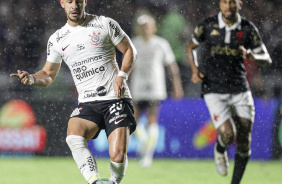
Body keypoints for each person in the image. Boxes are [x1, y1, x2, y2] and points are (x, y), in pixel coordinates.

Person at [10, 0, 137, 184]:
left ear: (85, 2)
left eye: (78, 1)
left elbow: (130, 51)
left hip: (115, 97)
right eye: (69, 1)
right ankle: (95, 181)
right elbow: (48, 74)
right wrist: (31, 78)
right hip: (87, 102)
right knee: (73, 135)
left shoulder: (105, 23)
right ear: (62, 3)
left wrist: (122, 76)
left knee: (117, 155)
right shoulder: (57, 38)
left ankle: (114, 182)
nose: (74, 6)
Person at [186, 0, 271, 183]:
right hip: (213, 88)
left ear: (239, 4)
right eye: (225, 2)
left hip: (240, 88)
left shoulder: (248, 28)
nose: (228, 6)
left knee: (244, 140)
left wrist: (253, 56)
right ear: (220, 4)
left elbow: (267, 59)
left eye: (232, 2)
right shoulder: (206, 26)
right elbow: (190, 47)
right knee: (227, 134)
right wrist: (194, 69)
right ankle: (220, 149)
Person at [130, 14, 183, 168]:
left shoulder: (161, 44)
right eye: (143, 26)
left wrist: (177, 86)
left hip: (155, 87)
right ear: (139, 28)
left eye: (148, 25)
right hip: (138, 87)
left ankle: (148, 157)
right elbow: (128, 67)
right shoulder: (134, 44)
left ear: (154, 27)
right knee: (133, 122)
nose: (145, 28)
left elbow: (172, 66)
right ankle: (146, 142)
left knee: (152, 119)